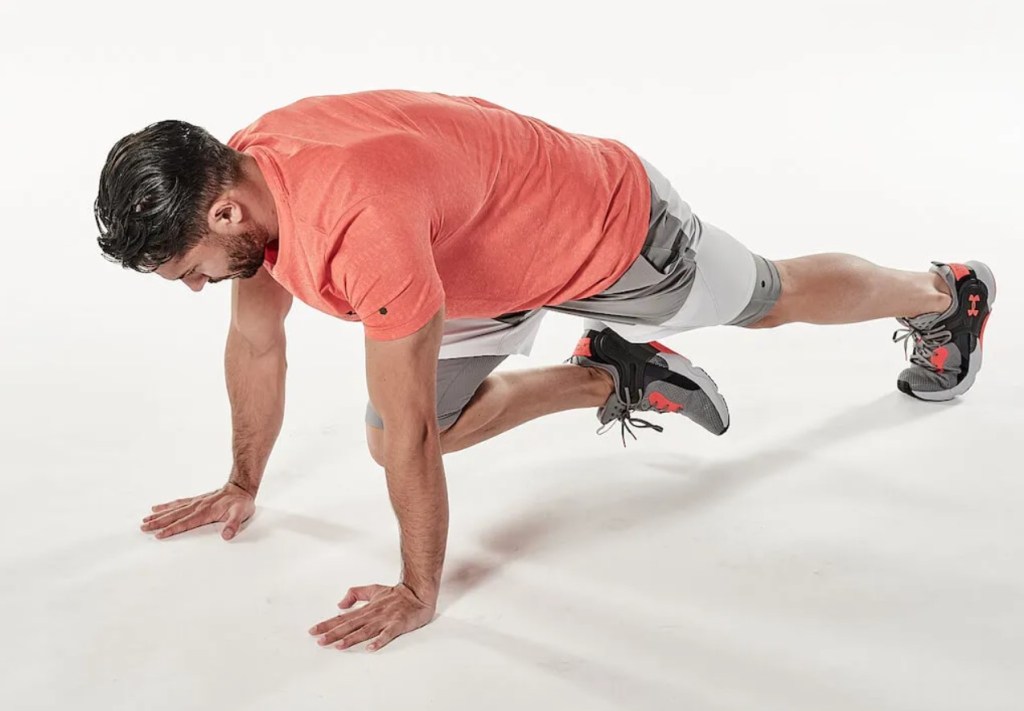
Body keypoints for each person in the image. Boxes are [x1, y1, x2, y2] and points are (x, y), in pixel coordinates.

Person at [94, 90, 996, 652]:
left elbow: (409, 430)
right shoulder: (251, 187)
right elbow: (258, 343)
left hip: (611, 231)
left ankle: (942, 293)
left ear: (220, 206)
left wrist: (418, 589)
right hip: (471, 261)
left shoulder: (354, 223)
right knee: (397, 437)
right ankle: (619, 376)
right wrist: (239, 481)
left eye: (188, 269)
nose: (194, 287)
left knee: (768, 294)